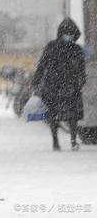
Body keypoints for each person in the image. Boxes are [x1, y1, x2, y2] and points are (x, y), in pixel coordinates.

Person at [32, 18, 86, 151]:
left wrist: (81, 80)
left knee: (65, 115)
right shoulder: (59, 47)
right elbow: (42, 65)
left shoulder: (73, 49)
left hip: (63, 85)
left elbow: (81, 67)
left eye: (71, 33)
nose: (69, 36)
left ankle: (67, 141)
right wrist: (35, 81)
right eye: (67, 33)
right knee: (61, 115)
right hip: (58, 85)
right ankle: (61, 141)